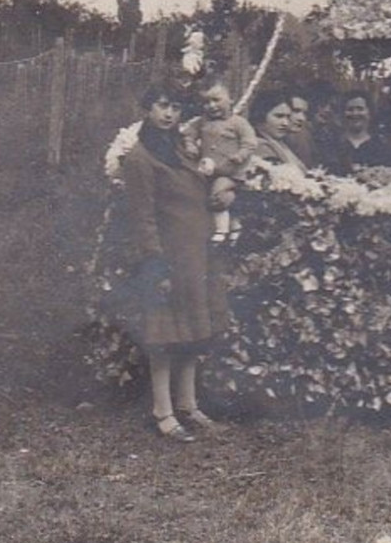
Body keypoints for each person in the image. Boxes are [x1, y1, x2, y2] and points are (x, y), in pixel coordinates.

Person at [120, 80, 230, 443]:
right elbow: (143, 217)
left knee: (192, 332)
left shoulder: (182, 149)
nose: (169, 114)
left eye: (176, 107)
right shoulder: (140, 157)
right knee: (165, 335)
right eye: (162, 106)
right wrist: (155, 264)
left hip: (195, 254)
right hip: (167, 258)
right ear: (147, 109)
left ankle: (188, 404)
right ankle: (163, 411)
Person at [182, 78, 258, 242]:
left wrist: (240, 155)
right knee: (210, 193)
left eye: (216, 100)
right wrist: (191, 145)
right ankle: (235, 226)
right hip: (210, 171)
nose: (211, 106)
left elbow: (250, 142)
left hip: (232, 171)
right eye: (206, 102)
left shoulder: (238, 123)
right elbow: (188, 133)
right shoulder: (202, 121)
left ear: (230, 99)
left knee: (218, 193)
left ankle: (221, 230)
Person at [321, 90, 391, 175]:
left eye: (360, 109)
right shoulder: (333, 145)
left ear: (369, 113)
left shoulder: (381, 148)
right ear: (343, 113)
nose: (355, 113)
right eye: (350, 110)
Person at [250, 89, 306, 170]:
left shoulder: (281, 143)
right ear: (261, 115)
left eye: (288, 117)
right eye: (279, 116)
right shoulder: (259, 146)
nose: (285, 123)